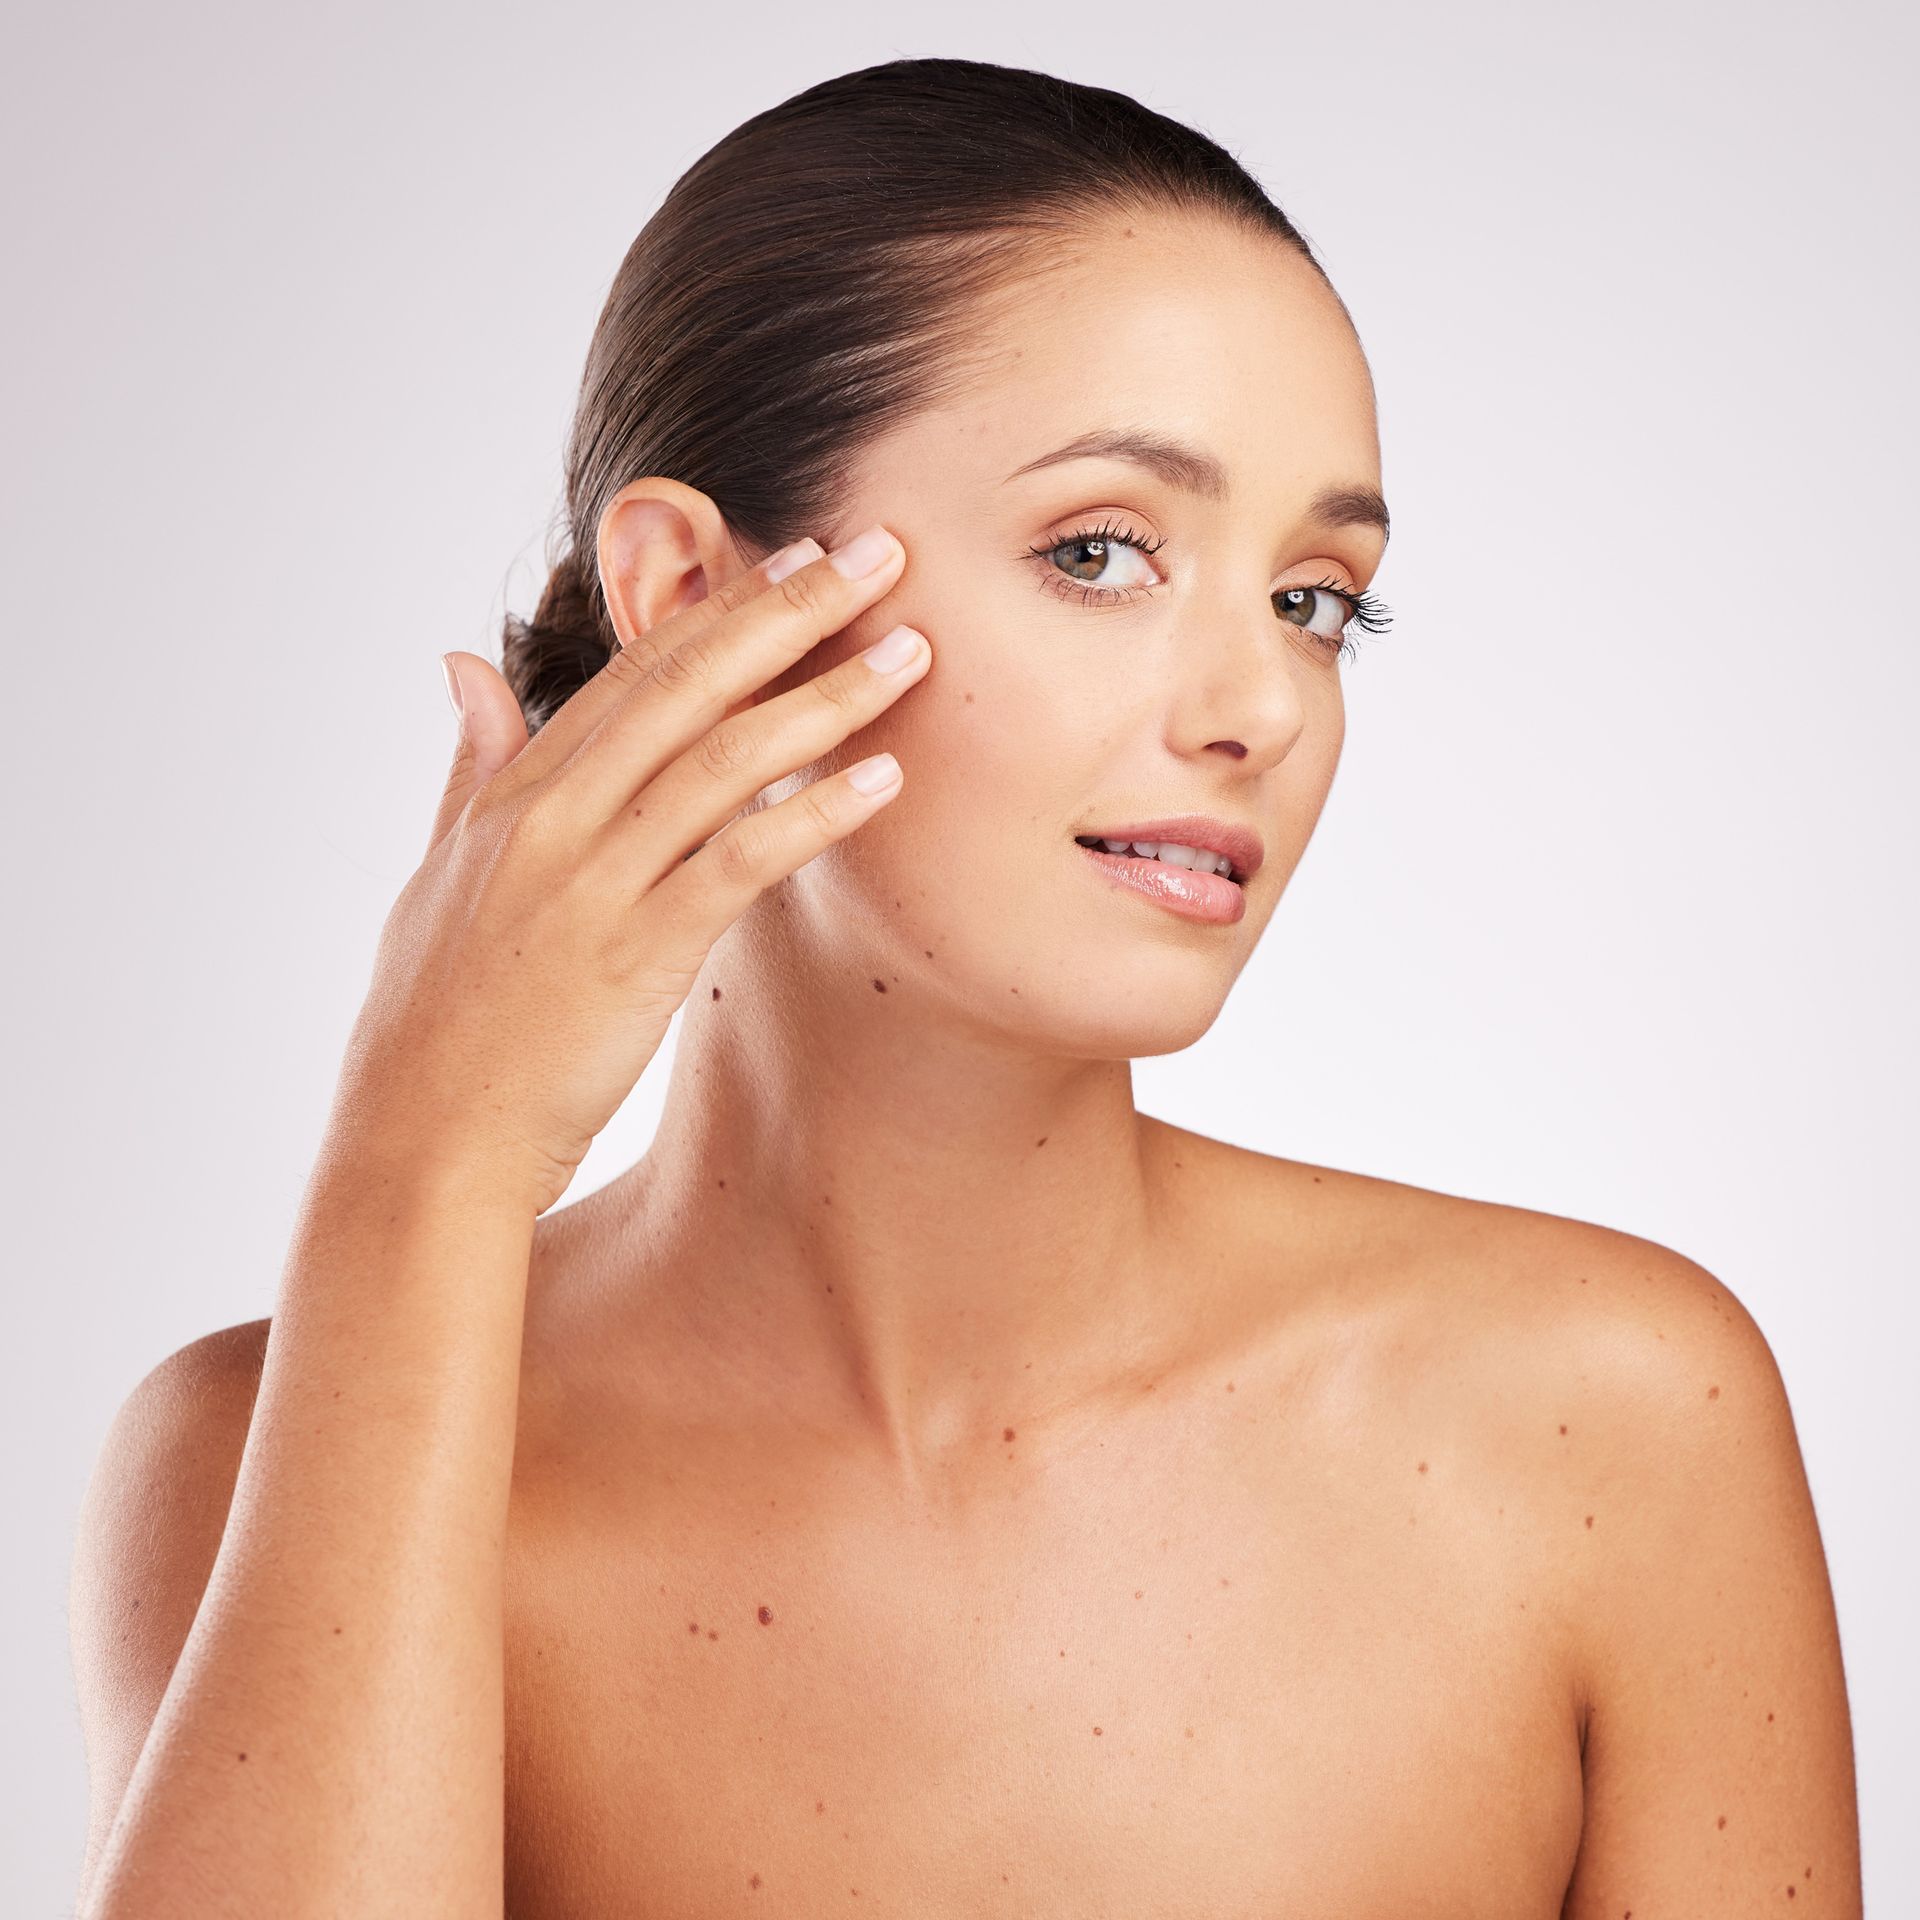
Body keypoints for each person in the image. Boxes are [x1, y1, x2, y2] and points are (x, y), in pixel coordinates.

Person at [66, 54, 1860, 1919]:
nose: (1260, 707)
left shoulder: (1606, 1427)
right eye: (1101, 553)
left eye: (1315, 599)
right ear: (690, 595)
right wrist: (420, 1168)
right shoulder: (258, 1457)